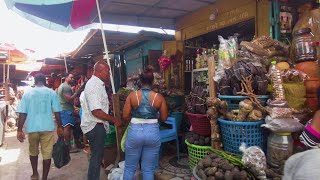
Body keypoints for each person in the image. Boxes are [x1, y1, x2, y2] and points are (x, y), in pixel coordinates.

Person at [122, 66, 168, 180]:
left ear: (140, 81)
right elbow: (164, 118)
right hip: (152, 132)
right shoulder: (159, 97)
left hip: (135, 132)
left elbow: (125, 116)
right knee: (148, 169)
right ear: (152, 82)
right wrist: (154, 117)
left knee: (129, 168)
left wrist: (136, 117)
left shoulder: (132, 96)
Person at [16, 73, 63, 180]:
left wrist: (19, 130)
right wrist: (60, 126)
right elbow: (57, 112)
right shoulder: (51, 93)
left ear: (35, 82)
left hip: (32, 128)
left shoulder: (27, 94)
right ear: (45, 81)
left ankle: (35, 174)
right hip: (47, 127)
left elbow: (22, 113)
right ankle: (44, 178)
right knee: (47, 154)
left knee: (33, 151)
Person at [80, 61, 122, 180]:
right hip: (95, 126)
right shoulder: (94, 85)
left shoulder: (97, 84)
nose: (109, 74)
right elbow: (96, 111)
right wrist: (114, 119)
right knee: (96, 157)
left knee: (97, 156)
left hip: (96, 125)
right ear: (99, 71)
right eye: (107, 71)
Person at [57, 73, 81, 152]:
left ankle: (68, 145)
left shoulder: (63, 86)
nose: (73, 79)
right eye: (71, 77)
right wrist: (76, 93)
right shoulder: (66, 87)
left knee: (67, 127)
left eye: (73, 77)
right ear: (66, 78)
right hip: (66, 110)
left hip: (65, 109)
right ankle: (68, 147)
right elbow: (69, 99)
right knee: (67, 127)